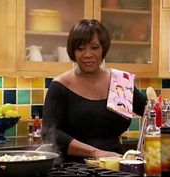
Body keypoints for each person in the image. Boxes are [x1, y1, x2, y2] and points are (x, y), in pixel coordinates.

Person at [42, 19, 147, 163]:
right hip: (73, 167)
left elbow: (150, 113)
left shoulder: (120, 82)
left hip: (115, 165)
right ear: (72, 51)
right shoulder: (60, 85)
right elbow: (49, 133)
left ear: (103, 49)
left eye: (95, 47)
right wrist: (96, 153)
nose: (88, 54)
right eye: (80, 48)